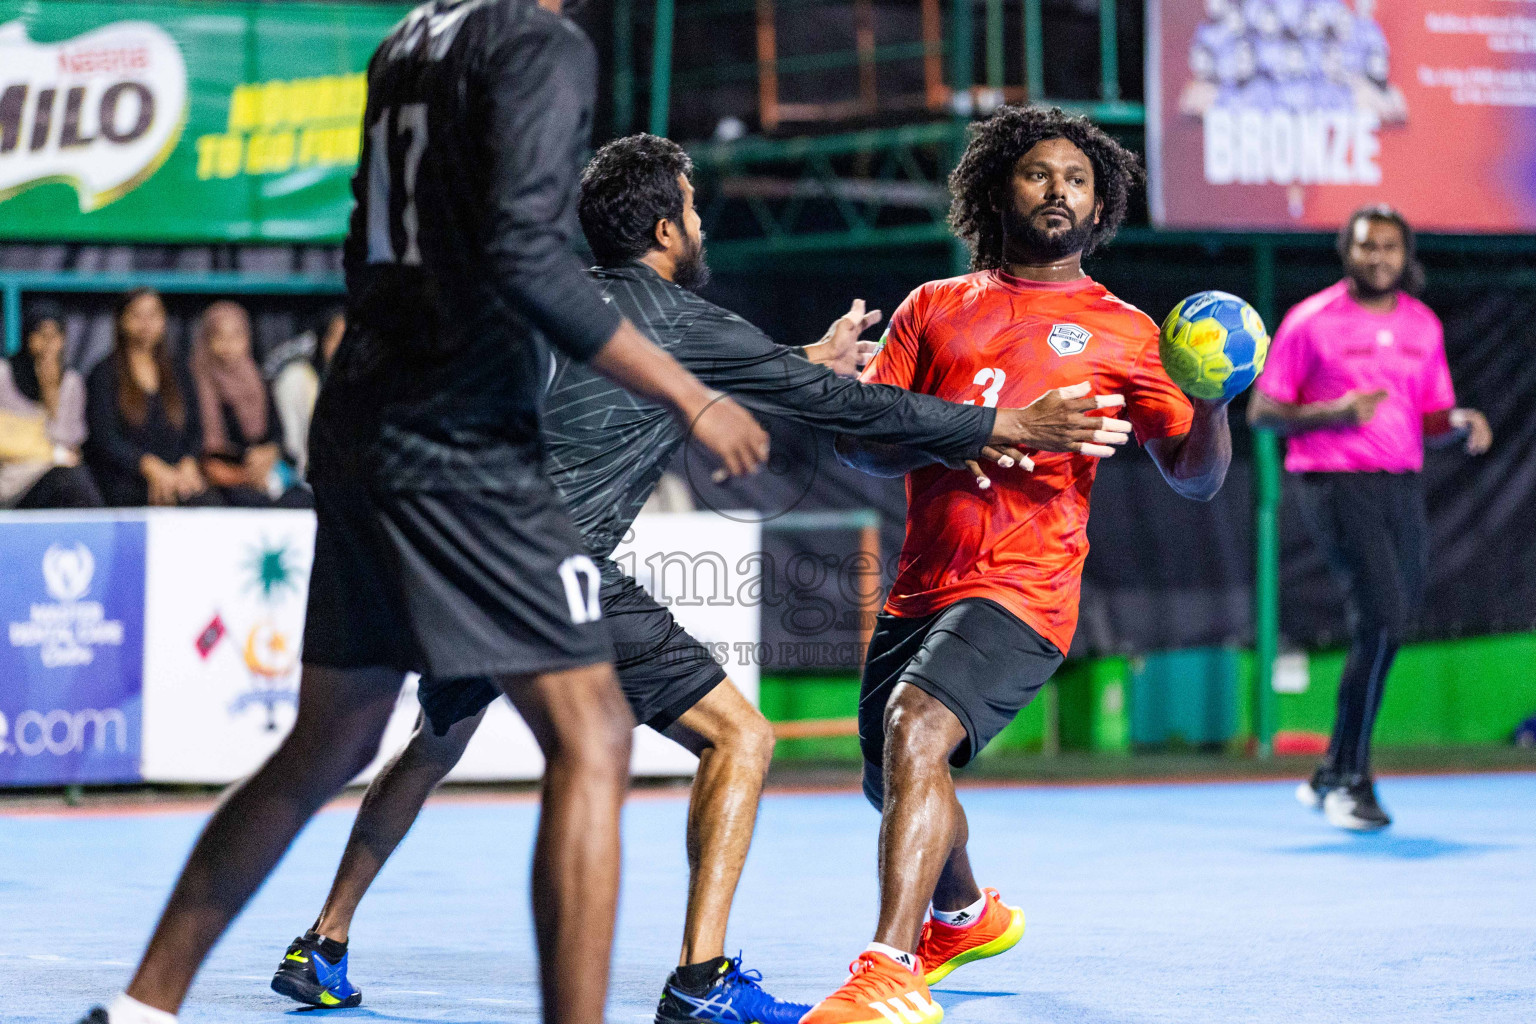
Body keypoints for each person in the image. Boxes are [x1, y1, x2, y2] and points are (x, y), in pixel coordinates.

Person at [267, 132, 1088, 1024]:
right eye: (694, 212)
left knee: (434, 740)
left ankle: (323, 943)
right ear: (665, 229)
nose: (701, 226)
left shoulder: (556, 303)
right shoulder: (680, 319)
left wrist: (808, 358)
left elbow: (732, 373)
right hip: (555, 567)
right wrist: (1002, 424)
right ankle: (703, 978)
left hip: (459, 557)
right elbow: (855, 408)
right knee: (742, 740)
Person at [74, 3, 770, 1024]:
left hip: (363, 412)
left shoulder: (407, 37)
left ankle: (141, 1007)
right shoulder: (538, 43)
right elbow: (527, 259)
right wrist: (688, 393)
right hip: (459, 433)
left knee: (331, 740)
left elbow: (369, 240)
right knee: (591, 734)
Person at [807, 105, 1234, 1024]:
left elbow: (1195, 479)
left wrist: (1218, 398)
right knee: (891, 772)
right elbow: (865, 444)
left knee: (918, 726)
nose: (1059, 190)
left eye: (1078, 179)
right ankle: (963, 916)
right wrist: (947, 438)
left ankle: (889, 970)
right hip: (923, 583)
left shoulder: (1126, 333)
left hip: (1026, 587)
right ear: (999, 187)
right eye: (1040, 174)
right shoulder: (934, 306)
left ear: (1100, 204)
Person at [1249, 204, 1491, 832]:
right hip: (1332, 482)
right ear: (1346, 251)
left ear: (1404, 256)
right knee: (1381, 614)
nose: (1377, 256)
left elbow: (1431, 417)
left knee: (1394, 623)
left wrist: (1457, 424)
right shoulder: (1310, 322)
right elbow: (1263, 412)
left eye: (1389, 247)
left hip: (1402, 486)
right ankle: (1351, 781)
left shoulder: (1423, 325)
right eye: (1366, 246)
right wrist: (1333, 414)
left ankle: (1331, 770)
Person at [84, 288, 214, 508]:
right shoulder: (104, 373)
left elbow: (195, 429)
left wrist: (188, 463)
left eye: (153, 315)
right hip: (126, 478)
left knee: (207, 502)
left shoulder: (179, 370)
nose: (146, 324)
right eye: (137, 315)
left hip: (177, 475)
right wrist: (149, 466)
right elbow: (105, 438)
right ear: (121, 321)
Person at [190, 300, 310, 507]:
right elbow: (198, 448)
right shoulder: (195, 383)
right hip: (218, 479)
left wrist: (268, 453)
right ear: (206, 340)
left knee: (302, 500)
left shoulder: (258, 380)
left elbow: (277, 435)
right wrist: (244, 476)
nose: (228, 345)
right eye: (219, 336)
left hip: (264, 474)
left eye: (236, 336)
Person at [0, 299, 102, 508]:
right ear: (27, 335)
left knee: (72, 479)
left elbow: (66, 447)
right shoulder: (4, 375)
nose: (47, 344)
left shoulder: (70, 383)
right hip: (11, 481)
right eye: (41, 334)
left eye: (55, 335)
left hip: (51, 479)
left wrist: (51, 394)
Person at [264, 306, 345, 477]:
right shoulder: (297, 379)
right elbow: (293, 451)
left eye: (347, 339)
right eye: (334, 338)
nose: (341, 347)